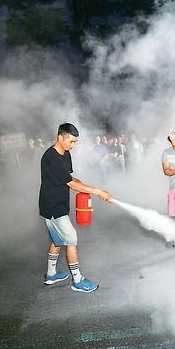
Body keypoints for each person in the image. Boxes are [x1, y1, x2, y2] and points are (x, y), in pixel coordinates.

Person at [39, 123, 112, 293]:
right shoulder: (51, 157)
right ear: (60, 138)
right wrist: (98, 191)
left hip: (60, 203)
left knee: (57, 241)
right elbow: (70, 184)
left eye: (75, 142)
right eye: (71, 141)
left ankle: (51, 274)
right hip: (52, 205)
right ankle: (77, 280)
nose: (73, 145)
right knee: (71, 239)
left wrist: (85, 185)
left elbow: (70, 177)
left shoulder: (66, 154)